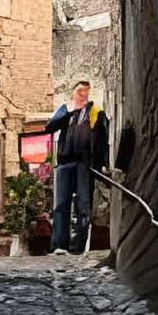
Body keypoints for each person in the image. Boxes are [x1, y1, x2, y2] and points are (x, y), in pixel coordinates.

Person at [47, 80, 109, 257]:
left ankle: (79, 247)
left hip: (84, 164)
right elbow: (50, 127)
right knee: (61, 205)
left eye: (86, 91)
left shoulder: (95, 113)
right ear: (73, 94)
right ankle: (60, 245)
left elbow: (103, 139)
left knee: (83, 205)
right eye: (79, 91)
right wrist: (65, 110)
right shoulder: (66, 113)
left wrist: (103, 162)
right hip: (65, 163)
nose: (83, 94)